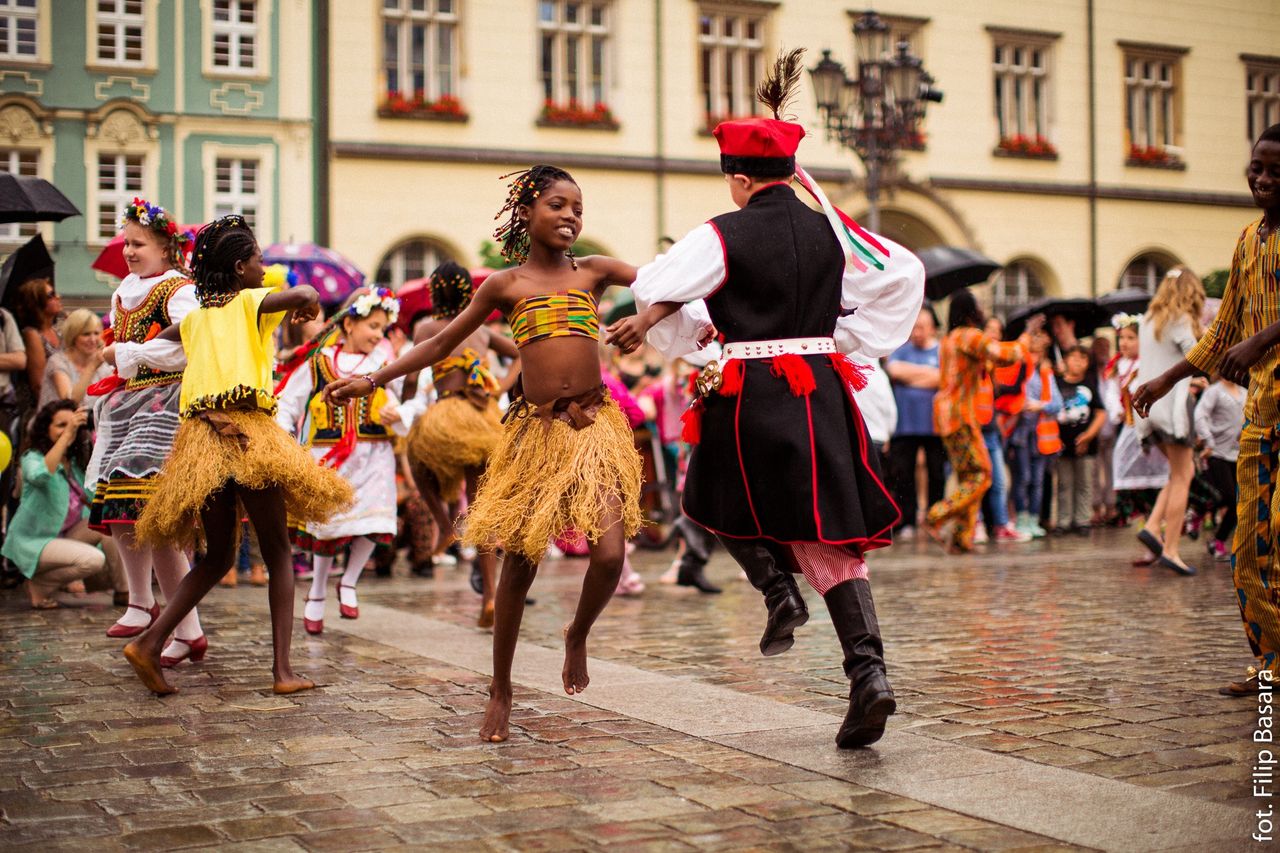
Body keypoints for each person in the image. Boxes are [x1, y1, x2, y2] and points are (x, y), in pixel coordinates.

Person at [621, 49, 926, 749]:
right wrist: (847, 344)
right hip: (821, 389)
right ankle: (868, 671)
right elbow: (897, 277)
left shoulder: (721, 232)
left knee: (710, 497)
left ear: (738, 178)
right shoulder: (832, 232)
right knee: (826, 531)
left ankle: (777, 592)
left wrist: (678, 330)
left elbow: (658, 286)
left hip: (751, 388)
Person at [327, 165, 645, 744]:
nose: (571, 214)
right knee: (519, 571)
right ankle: (500, 688)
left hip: (594, 430)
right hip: (533, 437)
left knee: (607, 555)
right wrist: (372, 380)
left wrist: (646, 317)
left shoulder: (596, 273)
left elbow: (667, 279)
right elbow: (439, 344)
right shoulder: (504, 286)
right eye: (557, 203)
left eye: (578, 205)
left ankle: (576, 635)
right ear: (526, 212)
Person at [120, 214, 352, 696]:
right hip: (247, 437)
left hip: (201, 441)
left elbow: (159, 342)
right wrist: (304, 303)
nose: (265, 269)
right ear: (241, 267)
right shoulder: (251, 303)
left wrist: (131, 352)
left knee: (217, 556)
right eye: (260, 261)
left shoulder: (197, 319)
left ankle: (149, 642)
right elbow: (305, 295)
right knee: (278, 552)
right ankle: (283, 671)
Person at [1134, 124, 1280, 695]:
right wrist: (1166, 379)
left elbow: (1245, 338)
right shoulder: (1248, 240)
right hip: (1263, 410)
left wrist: (1262, 340)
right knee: (1250, 543)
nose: (1263, 178)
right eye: (1258, 167)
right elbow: (1223, 331)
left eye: (1275, 171)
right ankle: (1269, 661)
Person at [87, 198, 207, 663]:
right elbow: (120, 349)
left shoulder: (178, 288)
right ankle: (144, 603)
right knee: (120, 506)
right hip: (126, 402)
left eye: (139, 244)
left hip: (164, 400)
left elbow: (186, 346)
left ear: (165, 247)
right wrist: (116, 356)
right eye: (127, 244)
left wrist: (129, 353)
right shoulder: (123, 292)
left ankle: (173, 621)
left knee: (149, 512)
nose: (130, 251)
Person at [276, 286, 406, 634]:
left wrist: (398, 414)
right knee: (329, 525)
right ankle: (317, 589)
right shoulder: (319, 362)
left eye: (382, 328)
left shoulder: (383, 366)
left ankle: (349, 580)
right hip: (328, 456)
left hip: (374, 455)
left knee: (374, 521)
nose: (378, 334)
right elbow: (289, 402)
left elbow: (401, 402)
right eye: (373, 326)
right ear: (349, 324)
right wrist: (283, 438)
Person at [402, 262, 521, 625]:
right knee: (481, 505)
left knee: (416, 457)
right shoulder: (481, 330)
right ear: (469, 293)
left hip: (448, 416)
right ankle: (489, 596)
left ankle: (445, 523)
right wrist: (501, 387)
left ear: (435, 294)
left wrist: (407, 396)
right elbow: (519, 352)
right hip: (483, 417)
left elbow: (410, 373)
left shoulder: (426, 327)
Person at [927, 292, 1034, 553]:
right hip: (960, 415)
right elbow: (1003, 353)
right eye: (979, 305)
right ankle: (938, 515)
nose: (983, 309)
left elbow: (978, 362)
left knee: (968, 474)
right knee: (983, 474)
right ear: (969, 311)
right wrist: (1026, 337)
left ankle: (962, 538)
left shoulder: (949, 339)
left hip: (947, 416)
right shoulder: (969, 335)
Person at [2, 399, 124, 608]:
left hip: (63, 538)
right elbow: (40, 476)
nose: (68, 430)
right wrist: (67, 435)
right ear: (44, 429)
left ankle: (126, 594)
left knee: (111, 524)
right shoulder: (32, 457)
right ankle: (38, 585)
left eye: (72, 425)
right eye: (61, 425)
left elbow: (96, 500)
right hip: (34, 542)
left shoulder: (76, 463)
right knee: (93, 560)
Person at [1132, 266, 1204, 576]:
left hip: (1149, 409)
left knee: (1177, 474)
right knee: (1183, 476)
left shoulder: (1148, 321)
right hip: (1173, 407)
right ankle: (1171, 549)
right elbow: (1198, 356)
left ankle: (1151, 526)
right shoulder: (1180, 320)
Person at [885, 305, 945, 538]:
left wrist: (912, 377)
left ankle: (935, 519)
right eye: (914, 327)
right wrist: (929, 376)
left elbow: (945, 378)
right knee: (903, 474)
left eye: (921, 327)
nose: (916, 332)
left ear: (931, 328)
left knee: (937, 473)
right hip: (906, 425)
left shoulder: (941, 351)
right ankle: (906, 521)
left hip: (935, 426)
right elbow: (895, 370)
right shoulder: (901, 349)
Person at [1009, 324, 1062, 537]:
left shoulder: (1045, 373)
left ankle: (1033, 518)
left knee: (1038, 479)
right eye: (1031, 351)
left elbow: (1056, 403)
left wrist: (1040, 405)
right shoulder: (1018, 370)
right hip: (1021, 431)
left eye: (1038, 352)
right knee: (1023, 477)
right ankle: (1021, 517)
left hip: (1040, 434)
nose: (1034, 356)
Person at [1053, 345, 1107, 535]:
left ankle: (1082, 520)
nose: (1077, 362)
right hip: (1061, 443)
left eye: (1083, 358)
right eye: (1073, 357)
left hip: (1086, 443)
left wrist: (1089, 435)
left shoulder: (1090, 383)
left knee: (1085, 482)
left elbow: (1100, 413)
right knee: (1064, 483)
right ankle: (1063, 520)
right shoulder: (1056, 383)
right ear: (1065, 360)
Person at [1195, 375, 1244, 562]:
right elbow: (1200, 415)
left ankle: (1217, 540)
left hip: (1237, 454)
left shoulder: (1244, 392)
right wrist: (1208, 441)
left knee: (1237, 503)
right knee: (1230, 498)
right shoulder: (1214, 392)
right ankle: (1200, 513)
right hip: (1216, 454)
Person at [38, 308, 111, 409]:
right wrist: (92, 367)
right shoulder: (58, 362)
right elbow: (69, 402)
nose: (93, 339)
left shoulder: (104, 366)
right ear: (73, 336)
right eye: (86, 334)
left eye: (96, 333)